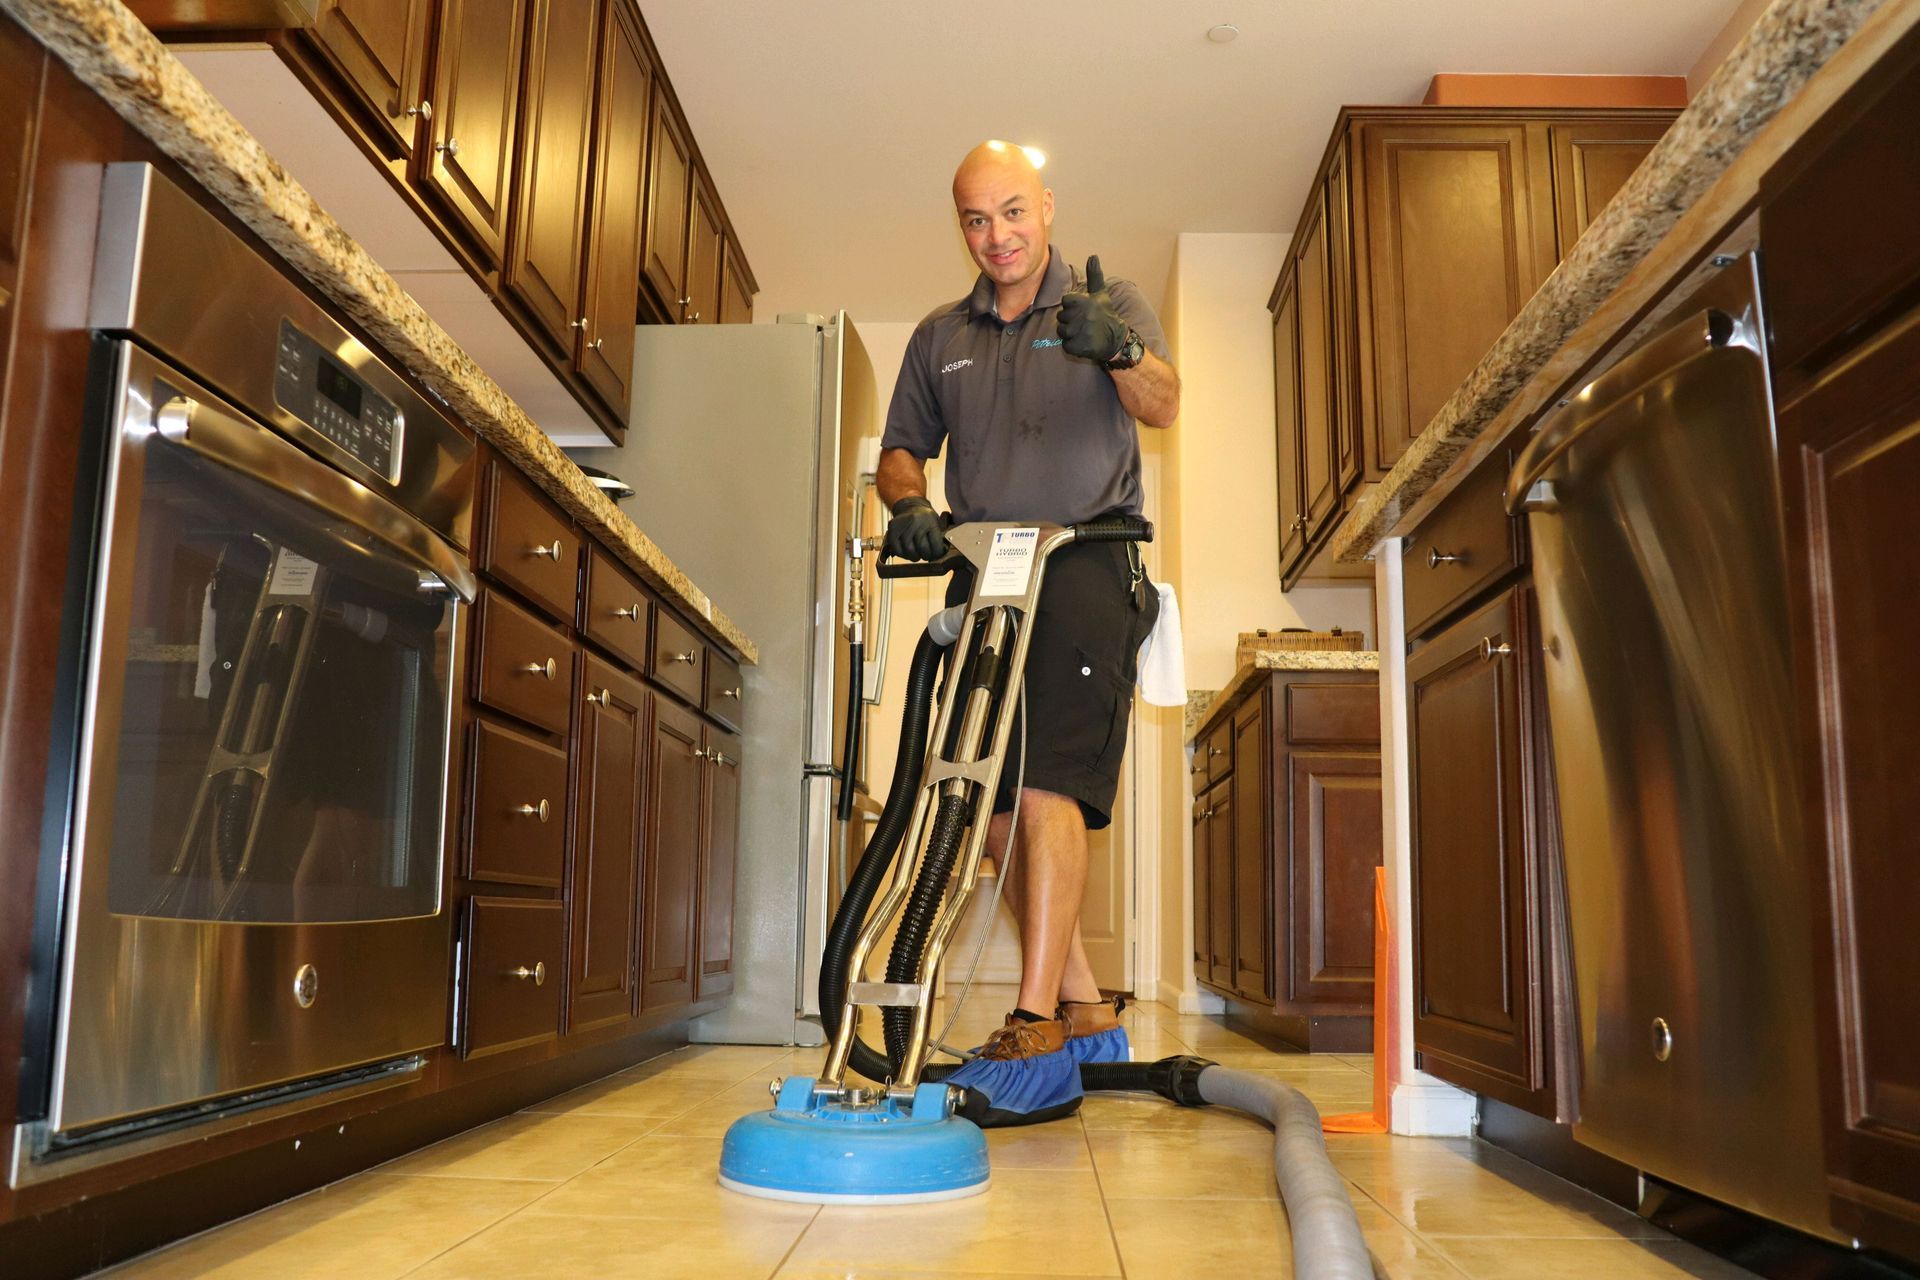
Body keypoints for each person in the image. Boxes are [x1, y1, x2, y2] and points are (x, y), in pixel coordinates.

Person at [876, 139, 1178, 1126]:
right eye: (974, 217)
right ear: (959, 226)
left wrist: (1119, 348)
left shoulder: (1107, 298)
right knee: (995, 812)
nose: (995, 234)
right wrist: (913, 502)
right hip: (990, 571)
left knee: (1047, 788)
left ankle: (1037, 1032)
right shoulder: (938, 335)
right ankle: (1089, 1017)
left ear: (1045, 206)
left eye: (1012, 211)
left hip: (1088, 557)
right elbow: (900, 451)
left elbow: (1166, 402)